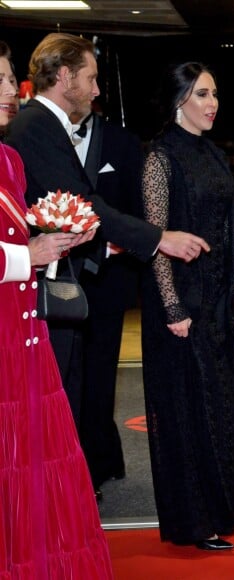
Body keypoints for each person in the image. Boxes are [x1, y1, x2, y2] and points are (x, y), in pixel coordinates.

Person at [4, 33, 207, 437]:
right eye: (91, 78)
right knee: (53, 404)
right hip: (35, 289)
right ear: (64, 77)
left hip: (64, 283)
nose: (97, 90)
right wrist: (158, 238)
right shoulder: (35, 126)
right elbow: (84, 204)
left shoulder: (43, 126)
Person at [140, 61, 234, 551]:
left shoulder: (213, 154)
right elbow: (156, 240)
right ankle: (195, 521)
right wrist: (172, 307)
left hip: (217, 301)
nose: (212, 103)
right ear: (180, 101)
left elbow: (229, 223)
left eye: (215, 93)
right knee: (188, 408)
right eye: (202, 94)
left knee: (225, 402)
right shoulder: (159, 159)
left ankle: (225, 507)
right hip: (181, 304)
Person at [0, 40, 113, 579]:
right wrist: (30, 255)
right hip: (6, 325)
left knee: (34, 456)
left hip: (25, 327)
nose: (9, 91)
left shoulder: (9, 158)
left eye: (8, 78)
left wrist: (57, 238)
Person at [69, 106, 144, 499]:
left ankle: (96, 465)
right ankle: (90, 457)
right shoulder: (40, 138)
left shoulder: (124, 143)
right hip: (57, 277)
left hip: (108, 280)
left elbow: (138, 210)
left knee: (98, 377)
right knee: (67, 377)